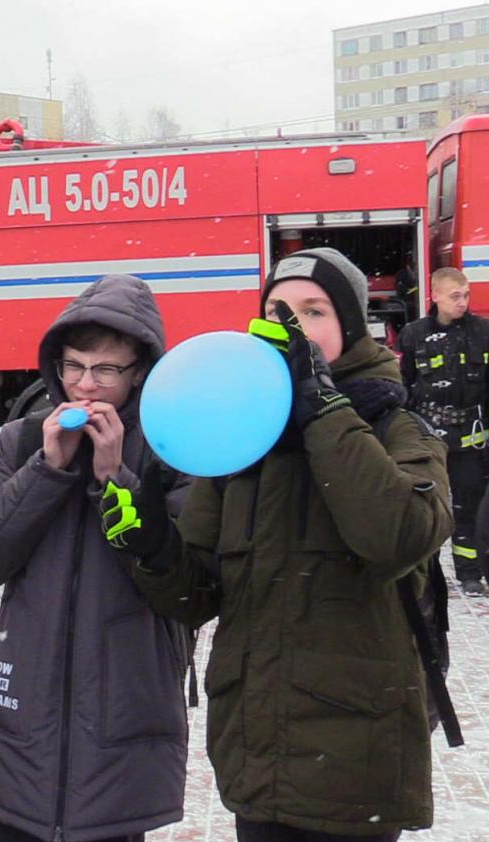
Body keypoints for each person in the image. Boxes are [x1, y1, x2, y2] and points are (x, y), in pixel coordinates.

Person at [109, 248, 452, 841]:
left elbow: (397, 536)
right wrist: (152, 543)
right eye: (277, 311)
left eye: (313, 312)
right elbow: (196, 596)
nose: (292, 328)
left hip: (355, 762)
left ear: (349, 326)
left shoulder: (397, 427)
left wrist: (322, 406)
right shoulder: (243, 444)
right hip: (257, 753)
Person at [0, 274, 191, 842]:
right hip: (24, 714)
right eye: (74, 366)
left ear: (139, 374)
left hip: (124, 711)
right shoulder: (24, 440)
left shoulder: (171, 448)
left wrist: (116, 482)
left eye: (105, 371)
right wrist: (47, 470)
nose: (85, 386)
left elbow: (186, 584)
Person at [398, 266, 489, 595]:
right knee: (427, 508)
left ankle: (469, 573)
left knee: (468, 506)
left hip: (471, 440)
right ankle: (426, 572)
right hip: (428, 438)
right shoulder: (414, 334)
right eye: (455, 296)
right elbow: (405, 385)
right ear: (435, 296)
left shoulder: (482, 332)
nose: (462, 302)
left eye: (466, 295)